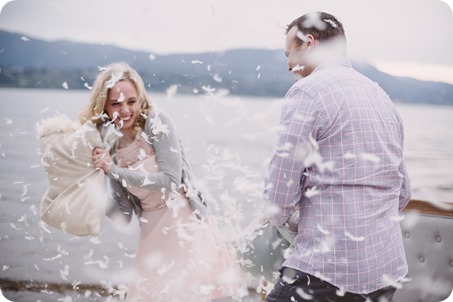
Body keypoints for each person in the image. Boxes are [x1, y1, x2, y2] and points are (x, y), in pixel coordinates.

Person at [263, 11, 411, 302]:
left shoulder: (307, 92)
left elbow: (280, 195)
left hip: (327, 270)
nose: (290, 65)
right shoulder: (380, 95)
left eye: (289, 53)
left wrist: (288, 218)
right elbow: (403, 190)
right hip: (386, 269)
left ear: (309, 42)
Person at [79, 62, 239, 301]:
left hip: (184, 224)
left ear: (140, 99)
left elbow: (170, 181)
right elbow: (123, 215)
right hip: (152, 233)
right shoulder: (109, 143)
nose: (125, 110)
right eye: (116, 103)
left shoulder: (156, 122)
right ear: (104, 105)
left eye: (131, 102)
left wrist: (113, 171)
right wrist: (94, 187)